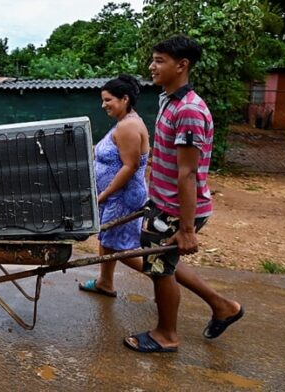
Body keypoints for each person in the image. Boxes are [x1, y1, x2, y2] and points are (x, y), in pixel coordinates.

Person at [123, 36, 244, 353]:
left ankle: (167, 335)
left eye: (160, 60)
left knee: (160, 270)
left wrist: (187, 229)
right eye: (153, 59)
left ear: (182, 65)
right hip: (164, 203)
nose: (152, 66)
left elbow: (188, 172)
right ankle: (223, 306)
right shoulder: (170, 100)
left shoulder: (189, 110)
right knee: (162, 261)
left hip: (177, 211)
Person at [78, 75, 150, 298]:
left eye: (108, 100)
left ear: (125, 99)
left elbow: (130, 166)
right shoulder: (124, 123)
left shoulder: (128, 127)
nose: (103, 105)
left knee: (120, 249)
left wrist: (104, 194)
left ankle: (162, 277)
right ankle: (105, 282)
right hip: (115, 196)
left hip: (122, 197)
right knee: (108, 239)